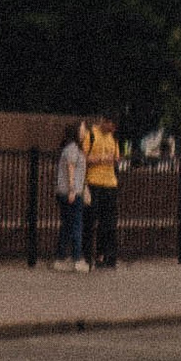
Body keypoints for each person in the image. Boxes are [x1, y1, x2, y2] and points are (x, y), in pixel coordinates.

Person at [85, 113, 120, 267]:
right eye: (111, 125)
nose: (112, 129)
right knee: (91, 220)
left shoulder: (113, 138)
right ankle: (87, 254)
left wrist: (114, 159)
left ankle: (103, 254)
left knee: (108, 223)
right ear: (105, 122)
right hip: (94, 182)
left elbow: (116, 157)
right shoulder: (91, 135)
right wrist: (100, 159)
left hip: (110, 183)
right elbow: (83, 157)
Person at [55, 124, 88, 268]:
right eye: (82, 129)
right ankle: (77, 258)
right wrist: (73, 189)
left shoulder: (70, 148)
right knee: (76, 225)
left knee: (67, 226)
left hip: (66, 191)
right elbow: (71, 169)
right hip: (71, 192)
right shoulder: (73, 149)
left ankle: (61, 258)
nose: (85, 132)